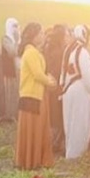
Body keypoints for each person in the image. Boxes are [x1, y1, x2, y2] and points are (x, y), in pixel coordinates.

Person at [15, 23, 57, 170]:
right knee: (33, 129)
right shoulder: (31, 52)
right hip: (32, 96)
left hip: (36, 94)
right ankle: (31, 160)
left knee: (37, 129)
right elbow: (38, 74)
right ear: (33, 36)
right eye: (40, 33)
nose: (43, 36)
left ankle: (34, 159)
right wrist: (50, 81)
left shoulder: (34, 52)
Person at [61, 25, 90, 159]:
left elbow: (62, 74)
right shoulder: (82, 52)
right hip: (81, 91)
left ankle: (70, 153)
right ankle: (76, 155)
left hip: (68, 90)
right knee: (79, 123)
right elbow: (87, 76)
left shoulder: (68, 50)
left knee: (70, 124)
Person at [43, 24, 69, 153]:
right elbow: (59, 71)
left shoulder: (49, 48)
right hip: (57, 87)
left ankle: (51, 143)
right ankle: (54, 144)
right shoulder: (60, 52)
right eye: (66, 35)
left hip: (49, 85)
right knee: (57, 116)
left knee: (52, 116)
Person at [1, 18, 21, 122]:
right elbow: (12, 52)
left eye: (17, 26)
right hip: (10, 71)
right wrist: (17, 41)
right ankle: (10, 115)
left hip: (19, 69)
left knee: (18, 92)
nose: (16, 29)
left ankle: (17, 114)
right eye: (14, 26)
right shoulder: (6, 39)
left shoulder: (19, 39)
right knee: (10, 93)